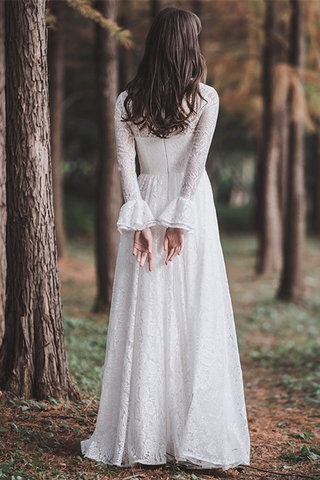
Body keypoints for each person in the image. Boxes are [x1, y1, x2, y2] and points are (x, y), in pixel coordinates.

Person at [80, 6, 250, 471]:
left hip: (150, 201)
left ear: (155, 44)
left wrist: (141, 221)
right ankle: (185, 430)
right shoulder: (205, 99)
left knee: (149, 312)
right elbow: (195, 164)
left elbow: (125, 166)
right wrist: (179, 218)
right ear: (188, 46)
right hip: (189, 206)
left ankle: (148, 431)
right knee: (194, 309)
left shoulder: (126, 101)